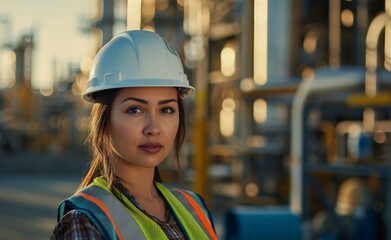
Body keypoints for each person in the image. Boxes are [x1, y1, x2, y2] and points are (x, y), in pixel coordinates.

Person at [50, 30, 218, 240]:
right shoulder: (87, 221)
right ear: (104, 120)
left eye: (166, 110)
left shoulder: (194, 208)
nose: (153, 128)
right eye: (135, 110)